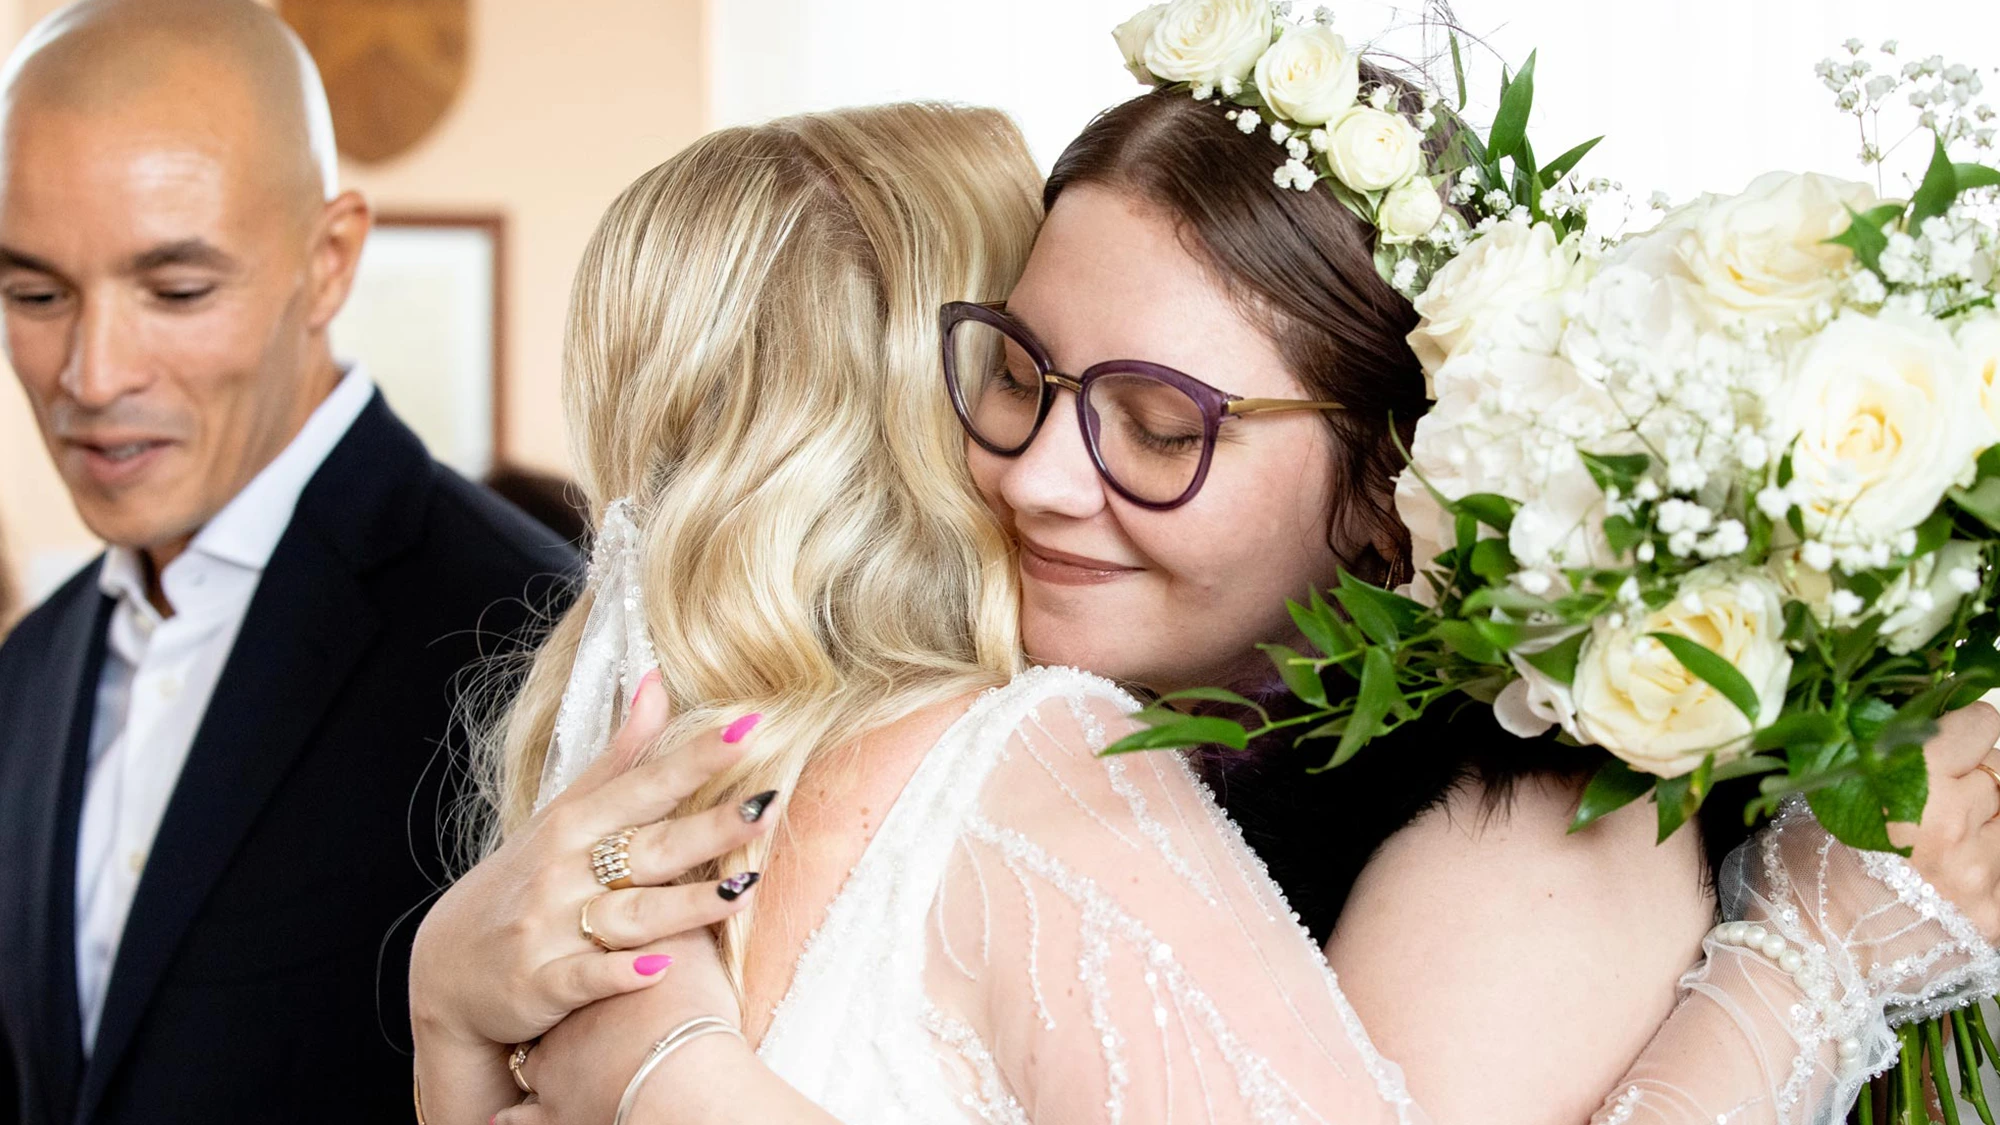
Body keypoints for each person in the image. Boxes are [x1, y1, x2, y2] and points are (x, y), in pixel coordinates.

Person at [410, 100, 2000, 1125]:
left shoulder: (1514, 838)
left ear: (1395, 479)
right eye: (1014, 379)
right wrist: (456, 992)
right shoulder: (932, 752)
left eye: (1162, 426)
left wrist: (1809, 972)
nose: (1033, 477)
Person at [0, 2, 574, 1123]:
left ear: (328, 262)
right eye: (34, 293)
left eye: (176, 291)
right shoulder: (31, 665)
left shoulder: (532, 639)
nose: (92, 373)